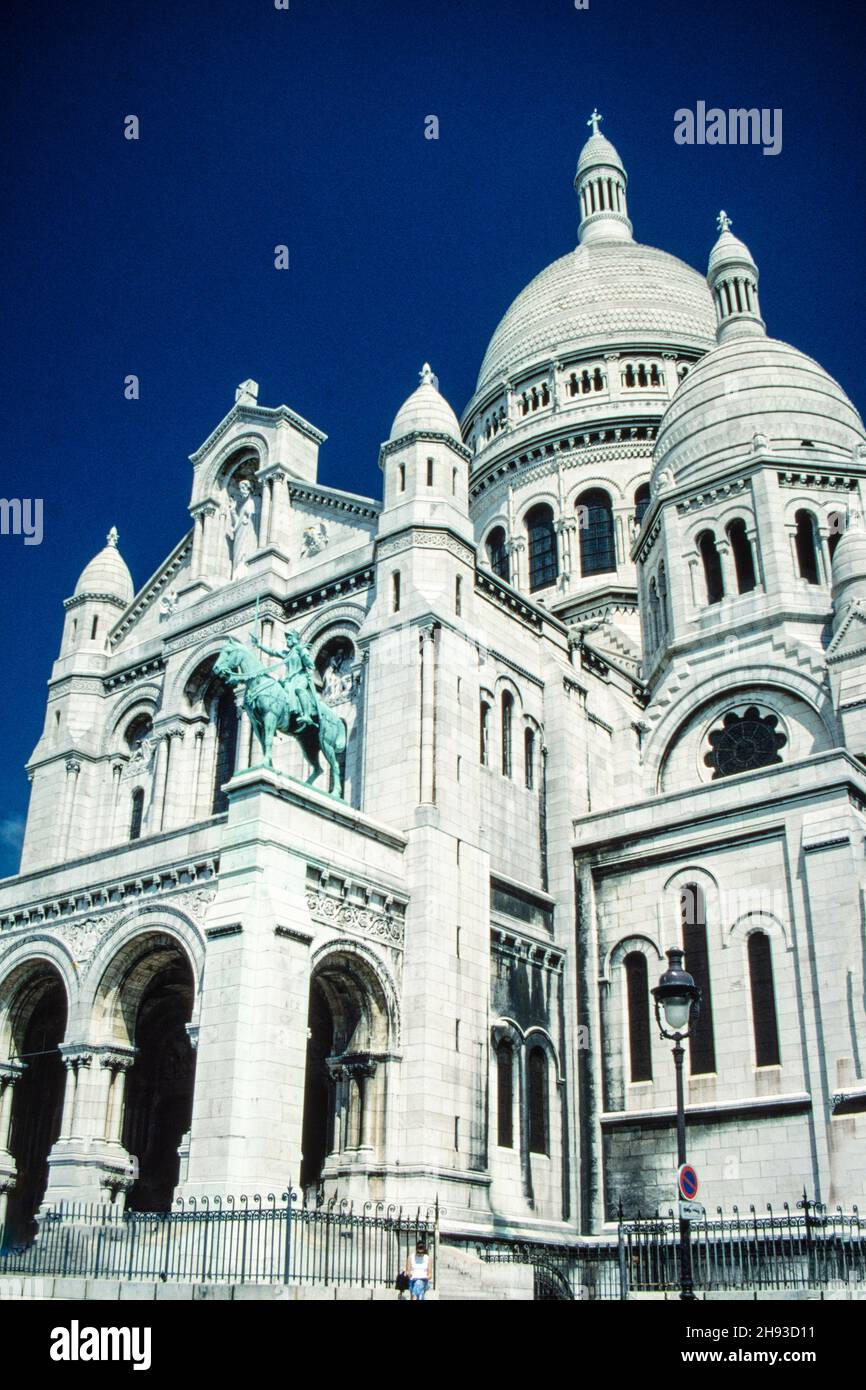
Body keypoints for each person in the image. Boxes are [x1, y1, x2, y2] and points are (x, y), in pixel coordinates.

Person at [251, 628, 318, 732]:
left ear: (295, 639)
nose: (287, 640)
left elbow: (309, 662)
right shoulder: (287, 654)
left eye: (289, 638)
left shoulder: (300, 649)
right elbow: (272, 652)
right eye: (287, 638)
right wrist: (259, 645)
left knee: (299, 689)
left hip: (301, 676)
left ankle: (306, 715)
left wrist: (306, 657)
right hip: (290, 679)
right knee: (282, 691)